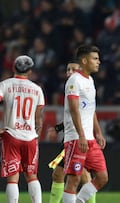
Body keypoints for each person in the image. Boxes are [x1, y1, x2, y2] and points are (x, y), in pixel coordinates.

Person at [0, 55, 44, 203]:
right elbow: (39, 116)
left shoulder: (4, 85)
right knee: (32, 175)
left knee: (12, 179)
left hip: (11, 134)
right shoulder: (37, 89)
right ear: (30, 71)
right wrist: (37, 133)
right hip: (30, 136)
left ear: (13, 67)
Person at [62, 45, 108, 203]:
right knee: (73, 180)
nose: (98, 62)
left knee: (102, 177)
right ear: (84, 60)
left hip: (90, 139)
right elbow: (74, 110)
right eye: (95, 59)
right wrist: (81, 135)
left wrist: (98, 132)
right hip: (76, 138)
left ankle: (79, 201)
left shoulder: (90, 80)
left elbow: (91, 109)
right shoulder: (74, 80)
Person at [47, 62, 96, 203]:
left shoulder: (79, 88)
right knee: (77, 174)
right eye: (68, 69)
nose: (69, 72)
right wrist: (58, 128)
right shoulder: (72, 88)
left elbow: (84, 113)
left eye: (73, 69)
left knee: (67, 174)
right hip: (74, 137)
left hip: (77, 138)